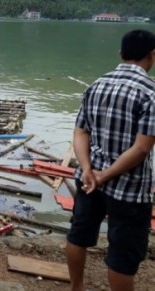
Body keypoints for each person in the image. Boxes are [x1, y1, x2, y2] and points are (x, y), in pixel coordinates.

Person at [66, 29, 155, 291]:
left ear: (120, 54)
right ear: (152, 56)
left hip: (88, 180)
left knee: (78, 236)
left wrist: (88, 170)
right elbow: (141, 149)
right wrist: (105, 175)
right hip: (129, 187)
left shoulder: (96, 85)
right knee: (123, 255)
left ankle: (76, 287)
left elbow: (80, 131)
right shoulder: (151, 93)